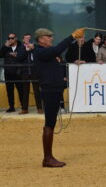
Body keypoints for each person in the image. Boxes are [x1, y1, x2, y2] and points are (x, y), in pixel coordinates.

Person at [34, 27, 85, 167]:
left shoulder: (46, 53)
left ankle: (48, 157)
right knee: (49, 124)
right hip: (49, 90)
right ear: (41, 39)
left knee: (51, 123)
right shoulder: (40, 51)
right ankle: (47, 158)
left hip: (54, 89)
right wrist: (72, 36)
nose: (51, 38)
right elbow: (57, 50)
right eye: (49, 36)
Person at [16, 33, 43, 114]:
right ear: (23, 40)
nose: (28, 40)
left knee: (37, 91)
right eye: (26, 38)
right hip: (25, 72)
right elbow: (19, 58)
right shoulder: (21, 48)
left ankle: (39, 108)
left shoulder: (36, 47)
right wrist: (26, 50)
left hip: (35, 71)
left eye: (29, 39)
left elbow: (40, 57)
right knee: (25, 91)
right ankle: (24, 109)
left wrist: (32, 49)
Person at [0, 33, 23, 113]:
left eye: (12, 38)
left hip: (18, 72)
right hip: (8, 72)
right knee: (9, 91)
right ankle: (11, 107)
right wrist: (5, 46)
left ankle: (23, 106)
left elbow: (24, 56)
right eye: (9, 38)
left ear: (16, 39)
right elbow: (1, 55)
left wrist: (17, 55)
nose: (10, 39)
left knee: (21, 90)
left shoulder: (21, 47)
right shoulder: (6, 48)